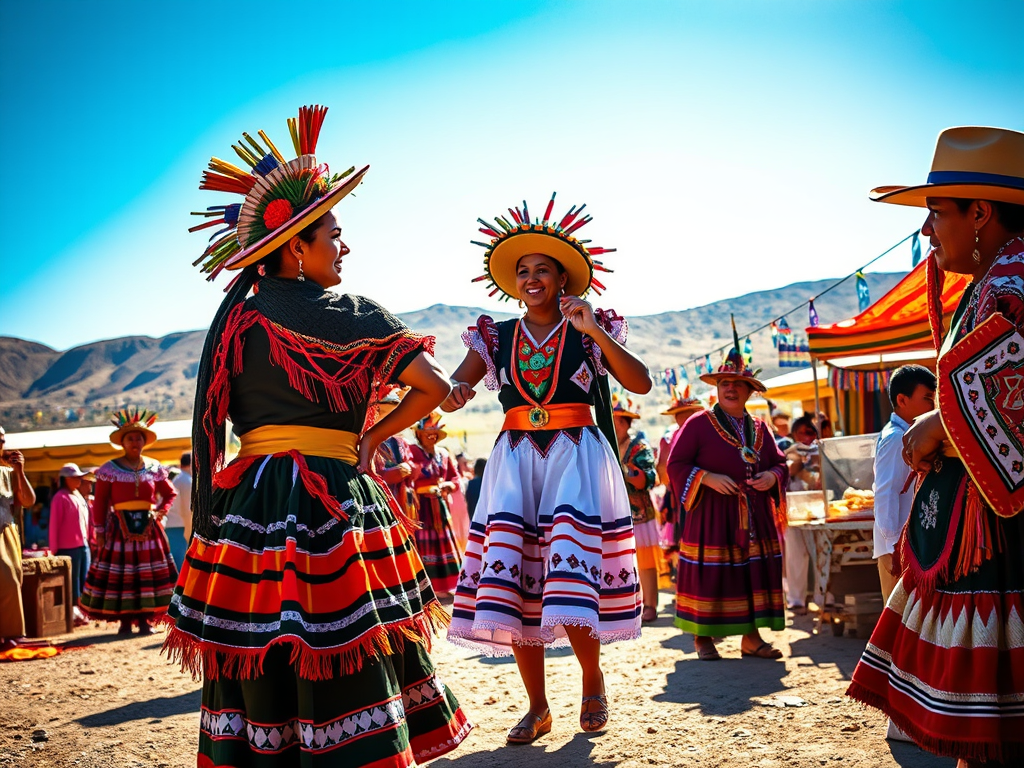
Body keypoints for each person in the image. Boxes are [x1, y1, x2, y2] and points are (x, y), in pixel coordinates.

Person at [162, 105, 470, 767]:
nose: (345, 246)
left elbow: (215, 422)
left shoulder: (235, 322)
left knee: (263, 639)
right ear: (295, 244)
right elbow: (436, 388)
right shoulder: (356, 315)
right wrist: (372, 436)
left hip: (254, 507)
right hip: (335, 499)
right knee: (346, 638)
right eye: (335, 232)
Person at [443, 193, 652, 743]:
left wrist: (594, 331)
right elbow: (457, 385)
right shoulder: (494, 336)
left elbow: (640, 383)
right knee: (515, 582)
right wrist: (454, 392)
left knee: (569, 575)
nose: (531, 277)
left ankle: (591, 680)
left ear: (565, 279)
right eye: (522, 271)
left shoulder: (592, 326)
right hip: (514, 463)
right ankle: (536, 707)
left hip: (575, 459)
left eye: (542, 269)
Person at [846, 126, 1024, 766]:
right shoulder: (990, 282)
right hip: (972, 528)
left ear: (981, 212)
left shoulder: (1016, 279)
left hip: (1002, 542)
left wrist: (938, 427)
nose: (926, 231)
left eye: (936, 213)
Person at [667, 348, 789, 661]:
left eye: (736, 383)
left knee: (752, 573)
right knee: (713, 573)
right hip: (711, 515)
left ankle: (751, 638)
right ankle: (703, 637)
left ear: (750, 390)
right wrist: (706, 477)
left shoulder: (761, 428)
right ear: (717, 389)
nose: (730, 388)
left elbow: (781, 463)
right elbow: (675, 464)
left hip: (754, 514)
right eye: (724, 383)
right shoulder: (697, 423)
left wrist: (772, 477)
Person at [80, 410, 179, 635]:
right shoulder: (108, 470)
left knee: (146, 573)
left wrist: (160, 512)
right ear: (122, 443)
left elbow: (169, 493)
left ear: (145, 441)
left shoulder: (155, 468)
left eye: (139, 437)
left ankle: (145, 621)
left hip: (148, 528)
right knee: (123, 573)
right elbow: (102, 502)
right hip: (118, 529)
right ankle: (125, 622)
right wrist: (100, 531)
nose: (135, 441)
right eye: (130, 438)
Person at [872, 364, 936, 602]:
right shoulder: (897, 438)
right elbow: (885, 492)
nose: (933, 406)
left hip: (905, 544)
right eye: (928, 398)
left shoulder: (907, 434)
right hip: (897, 546)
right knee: (897, 620)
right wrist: (892, 545)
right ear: (902, 399)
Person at [612, 394, 660, 623]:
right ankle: (629, 603)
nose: (610, 424)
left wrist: (627, 472)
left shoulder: (639, 447)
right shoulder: (609, 447)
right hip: (615, 513)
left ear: (623, 422)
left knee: (646, 563)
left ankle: (650, 604)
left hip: (639, 513)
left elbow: (651, 477)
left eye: (614, 420)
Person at [408, 413, 463, 595]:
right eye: (427, 433)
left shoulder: (444, 454)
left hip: (440, 506)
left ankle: (448, 585)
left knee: (444, 543)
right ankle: (429, 588)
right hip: (420, 508)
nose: (432, 435)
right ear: (418, 434)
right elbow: (408, 478)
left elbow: (455, 478)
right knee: (425, 544)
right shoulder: (411, 452)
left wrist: (449, 485)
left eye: (435, 433)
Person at [656, 387, 706, 570]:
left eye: (683, 414)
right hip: (685, 501)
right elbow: (663, 473)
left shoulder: (673, 437)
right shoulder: (672, 438)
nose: (680, 419)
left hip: (692, 498)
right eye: (678, 414)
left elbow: (663, 472)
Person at [0, 426, 35, 651]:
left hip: (5, 531)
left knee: (11, 581)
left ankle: (11, 632)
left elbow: (29, 500)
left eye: (1, 440)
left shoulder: (7, 473)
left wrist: (19, 470)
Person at [783, 414, 821, 614]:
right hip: (794, 509)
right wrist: (799, 459)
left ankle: (823, 597)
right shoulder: (787, 452)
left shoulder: (821, 450)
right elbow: (789, 472)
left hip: (819, 508)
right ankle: (796, 599)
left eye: (810, 432)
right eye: (802, 432)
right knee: (796, 553)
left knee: (821, 552)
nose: (806, 437)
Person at [49, 463, 92, 625]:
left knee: (83, 580)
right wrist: (53, 549)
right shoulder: (60, 497)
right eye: (76, 477)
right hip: (67, 548)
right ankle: (72, 613)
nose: (79, 480)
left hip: (83, 545)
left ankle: (81, 611)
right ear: (66, 479)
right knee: (71, 582)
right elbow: (54, 524)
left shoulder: (78, 496)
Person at [370, 390, 419, 519]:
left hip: (402, 500)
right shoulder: (366, 440)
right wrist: (392, 474)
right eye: (382, 412)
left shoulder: (400, 442)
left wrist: (409, 468)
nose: (387, 417)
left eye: (392, 413)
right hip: (379, 502)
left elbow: (411, 466)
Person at [162, 451, 192, 570]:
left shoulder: (180, 479)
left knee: (176, 561)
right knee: (179, 564)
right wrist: (189, 531)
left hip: (174, 525)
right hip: (179, 526)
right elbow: (187, 510)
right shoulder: (186, 481)